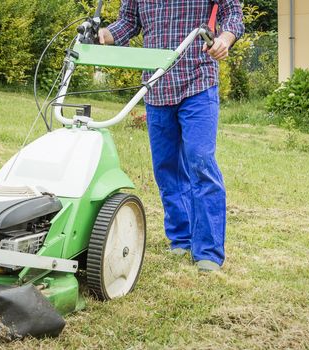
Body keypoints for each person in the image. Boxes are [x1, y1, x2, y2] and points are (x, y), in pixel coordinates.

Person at [99, 0, 244, 272]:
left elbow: (233, 13)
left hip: (198, 79)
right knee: (166, 167)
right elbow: (128, 22)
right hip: (157, 85)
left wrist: (225, 38)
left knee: (200, 162)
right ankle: (181, 237)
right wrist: (103, 35)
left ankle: (208, 251)